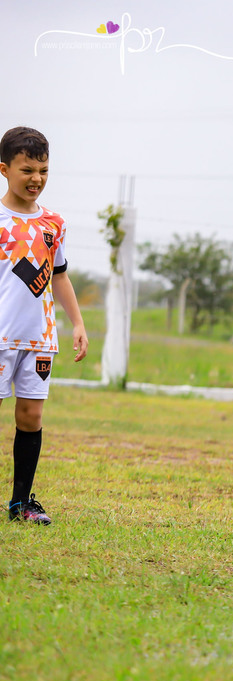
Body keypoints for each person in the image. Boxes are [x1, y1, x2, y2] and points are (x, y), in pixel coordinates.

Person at [0, 127, 88, 525]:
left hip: (39, 339)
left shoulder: (54, 224)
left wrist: (77, 323)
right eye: (27, 169)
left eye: (44, 170)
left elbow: (60, 276)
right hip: (0, 337)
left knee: (31, 417)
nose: (36, 178)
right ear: (4, 169)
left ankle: (21, 504)